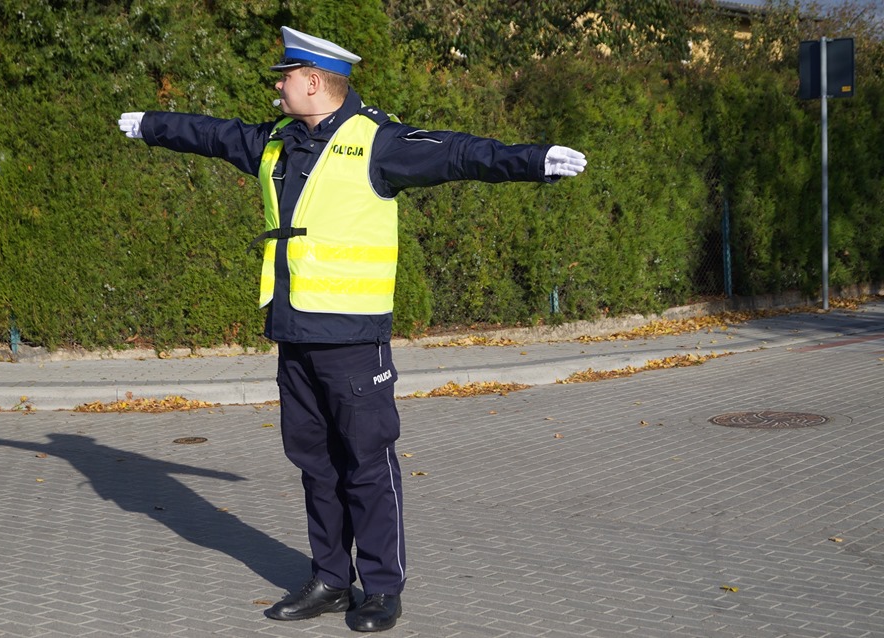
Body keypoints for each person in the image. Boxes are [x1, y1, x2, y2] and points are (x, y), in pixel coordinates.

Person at [118, 26, 586, 633]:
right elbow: (209, 133)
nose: (277, 87)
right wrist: (151, 124)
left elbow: (460, 153)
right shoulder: (276, 143)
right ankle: (331, 580)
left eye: (284, 78)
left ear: (313, 82)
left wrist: (535, 161)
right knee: (314, 463)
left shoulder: (379, 143)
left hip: (353, 340)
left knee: (366, 463)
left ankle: (384, 590)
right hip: (294, 335)